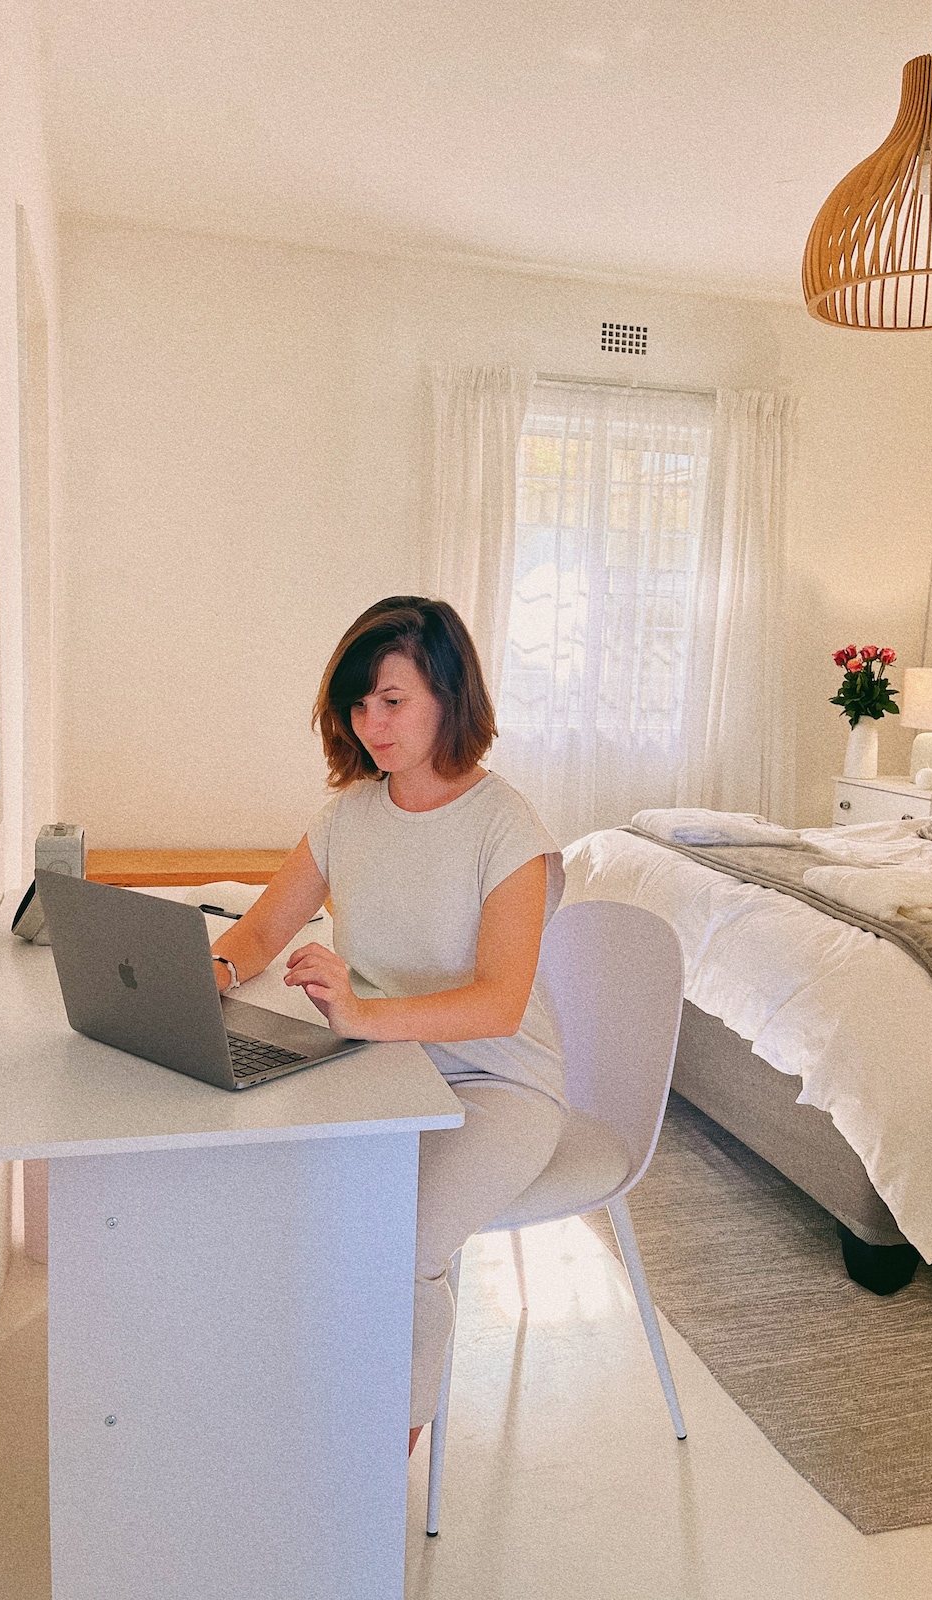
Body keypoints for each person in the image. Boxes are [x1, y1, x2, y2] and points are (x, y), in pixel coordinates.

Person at [208, 596, 567, 1452]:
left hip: (498, 1082)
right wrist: (209, 973)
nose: (371, 724)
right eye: (358, 703)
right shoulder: (348, 815)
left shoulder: (507, 827)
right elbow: (261, 930)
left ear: (449, 696)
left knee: (398, 1243)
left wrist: (363, 1013)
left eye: (394, 701)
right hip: (380, 1064)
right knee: (276, 1196)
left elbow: (499, 1001)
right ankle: (298, 1399)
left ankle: (378, 1461)